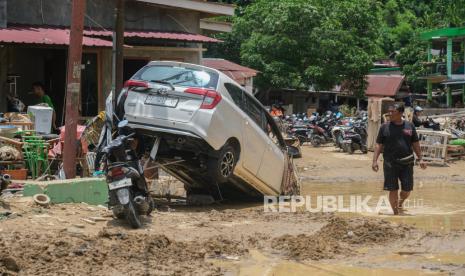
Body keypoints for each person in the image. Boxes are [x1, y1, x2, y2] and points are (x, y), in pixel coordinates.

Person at [372, 103, 427, 215]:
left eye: (393, 112)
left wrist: (420, 158)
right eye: (389, 112)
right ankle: (396, 213)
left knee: (407, 190)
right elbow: (378, 144)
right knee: (393, 189)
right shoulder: (384, 127)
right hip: (390, 163)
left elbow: (415, 143)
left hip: (407, 162)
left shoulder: (409, 126)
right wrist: (374, 161)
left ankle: (400, 203)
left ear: (401, 113)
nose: (390, 114)